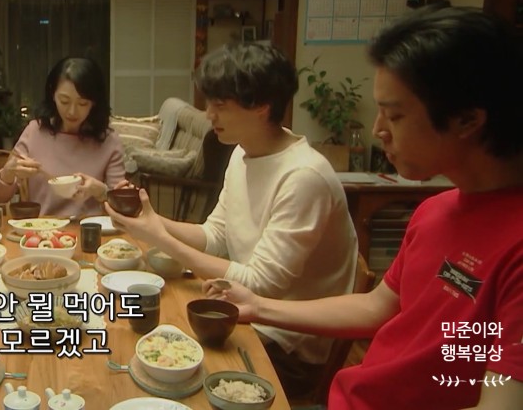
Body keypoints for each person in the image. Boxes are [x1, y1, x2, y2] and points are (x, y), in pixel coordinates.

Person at [206, 6, 523, 409]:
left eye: (395, 115)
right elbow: (376, 307)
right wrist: (258, 306)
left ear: (467, 119)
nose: (378, 130)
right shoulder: (435, 211)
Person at [107, 42, 359, 398]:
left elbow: (261, 285)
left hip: (286, 348)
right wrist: (151, 220)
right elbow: (216, 235)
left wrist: (159, 238)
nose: (209, 114)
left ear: (262, 107)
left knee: (153, 361)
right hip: (243, 313)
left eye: (220, 105)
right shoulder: (243, 152)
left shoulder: (304, 176)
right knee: (129, 338)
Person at [0, 57, 125, 218]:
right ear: (53, 95)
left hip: (90, 230)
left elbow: (121, 205)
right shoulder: (35, 132)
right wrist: (7, 174)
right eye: (64, 101)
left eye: (82, 103)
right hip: (42, 229)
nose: (72, 112)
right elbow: (0, 197)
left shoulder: (109, 141)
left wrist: (100, 191)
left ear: (94, 102)